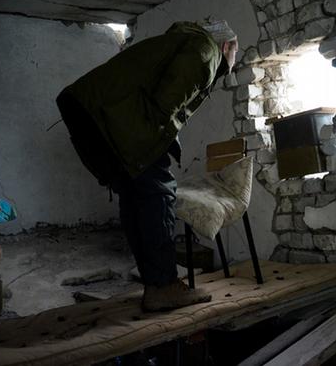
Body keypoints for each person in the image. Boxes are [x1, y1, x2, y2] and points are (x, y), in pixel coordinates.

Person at [56, 20, 238, 311]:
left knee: (134, 193)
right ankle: (163, 285)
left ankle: (155, 282)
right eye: (233, 57)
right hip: (111, 118)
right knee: (158, 193)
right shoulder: (206, 50)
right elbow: (163, 106)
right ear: (227, 46)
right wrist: (163, 150)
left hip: (88, 111)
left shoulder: (179, 43)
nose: (229, 66)